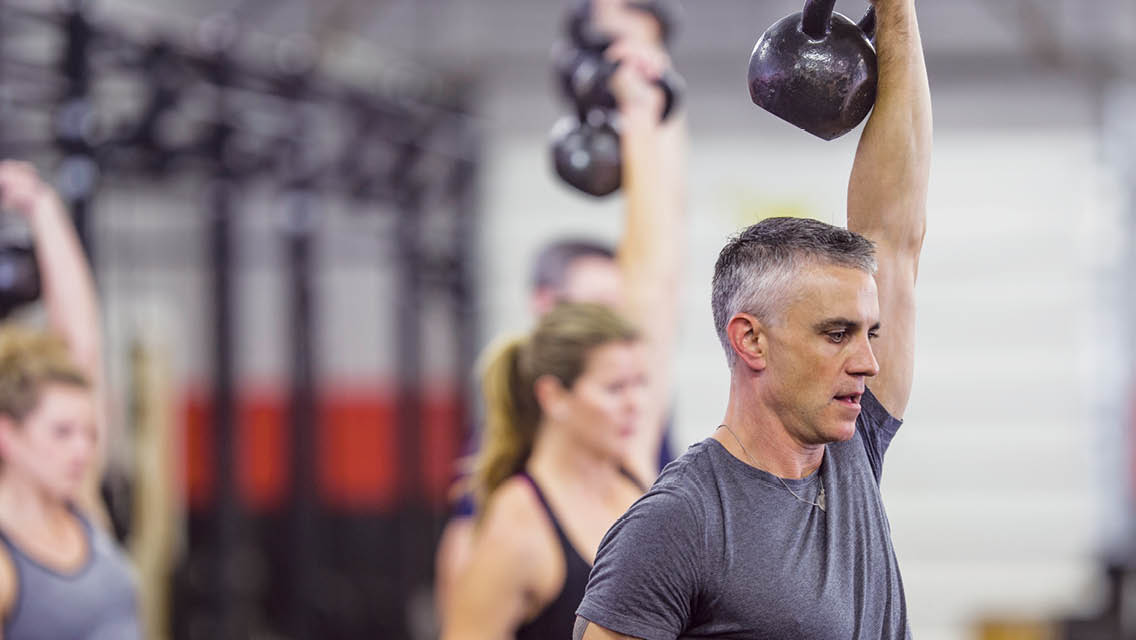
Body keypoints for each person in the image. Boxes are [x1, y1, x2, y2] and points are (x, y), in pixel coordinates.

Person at [573, 0, 932, 637]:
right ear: (751, 340)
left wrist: (897, 15)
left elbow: (894, 236)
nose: (868, 361)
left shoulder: (852, 454)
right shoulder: (677, 524)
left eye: (868, 332)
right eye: (836, 333)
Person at [434, 0, 687, 627]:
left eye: (638, 385)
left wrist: (645, 110)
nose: (638, 403)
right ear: (556, 397)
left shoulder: (631, 475)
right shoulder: (515, 529)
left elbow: (657, 275)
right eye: (615, 389)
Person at [0, 161, 141, 639]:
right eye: (61, 433)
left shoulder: (79, 507)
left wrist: (41, 207)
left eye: (88, 433)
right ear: (8, 434)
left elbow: (82, 343)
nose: (82, 449)